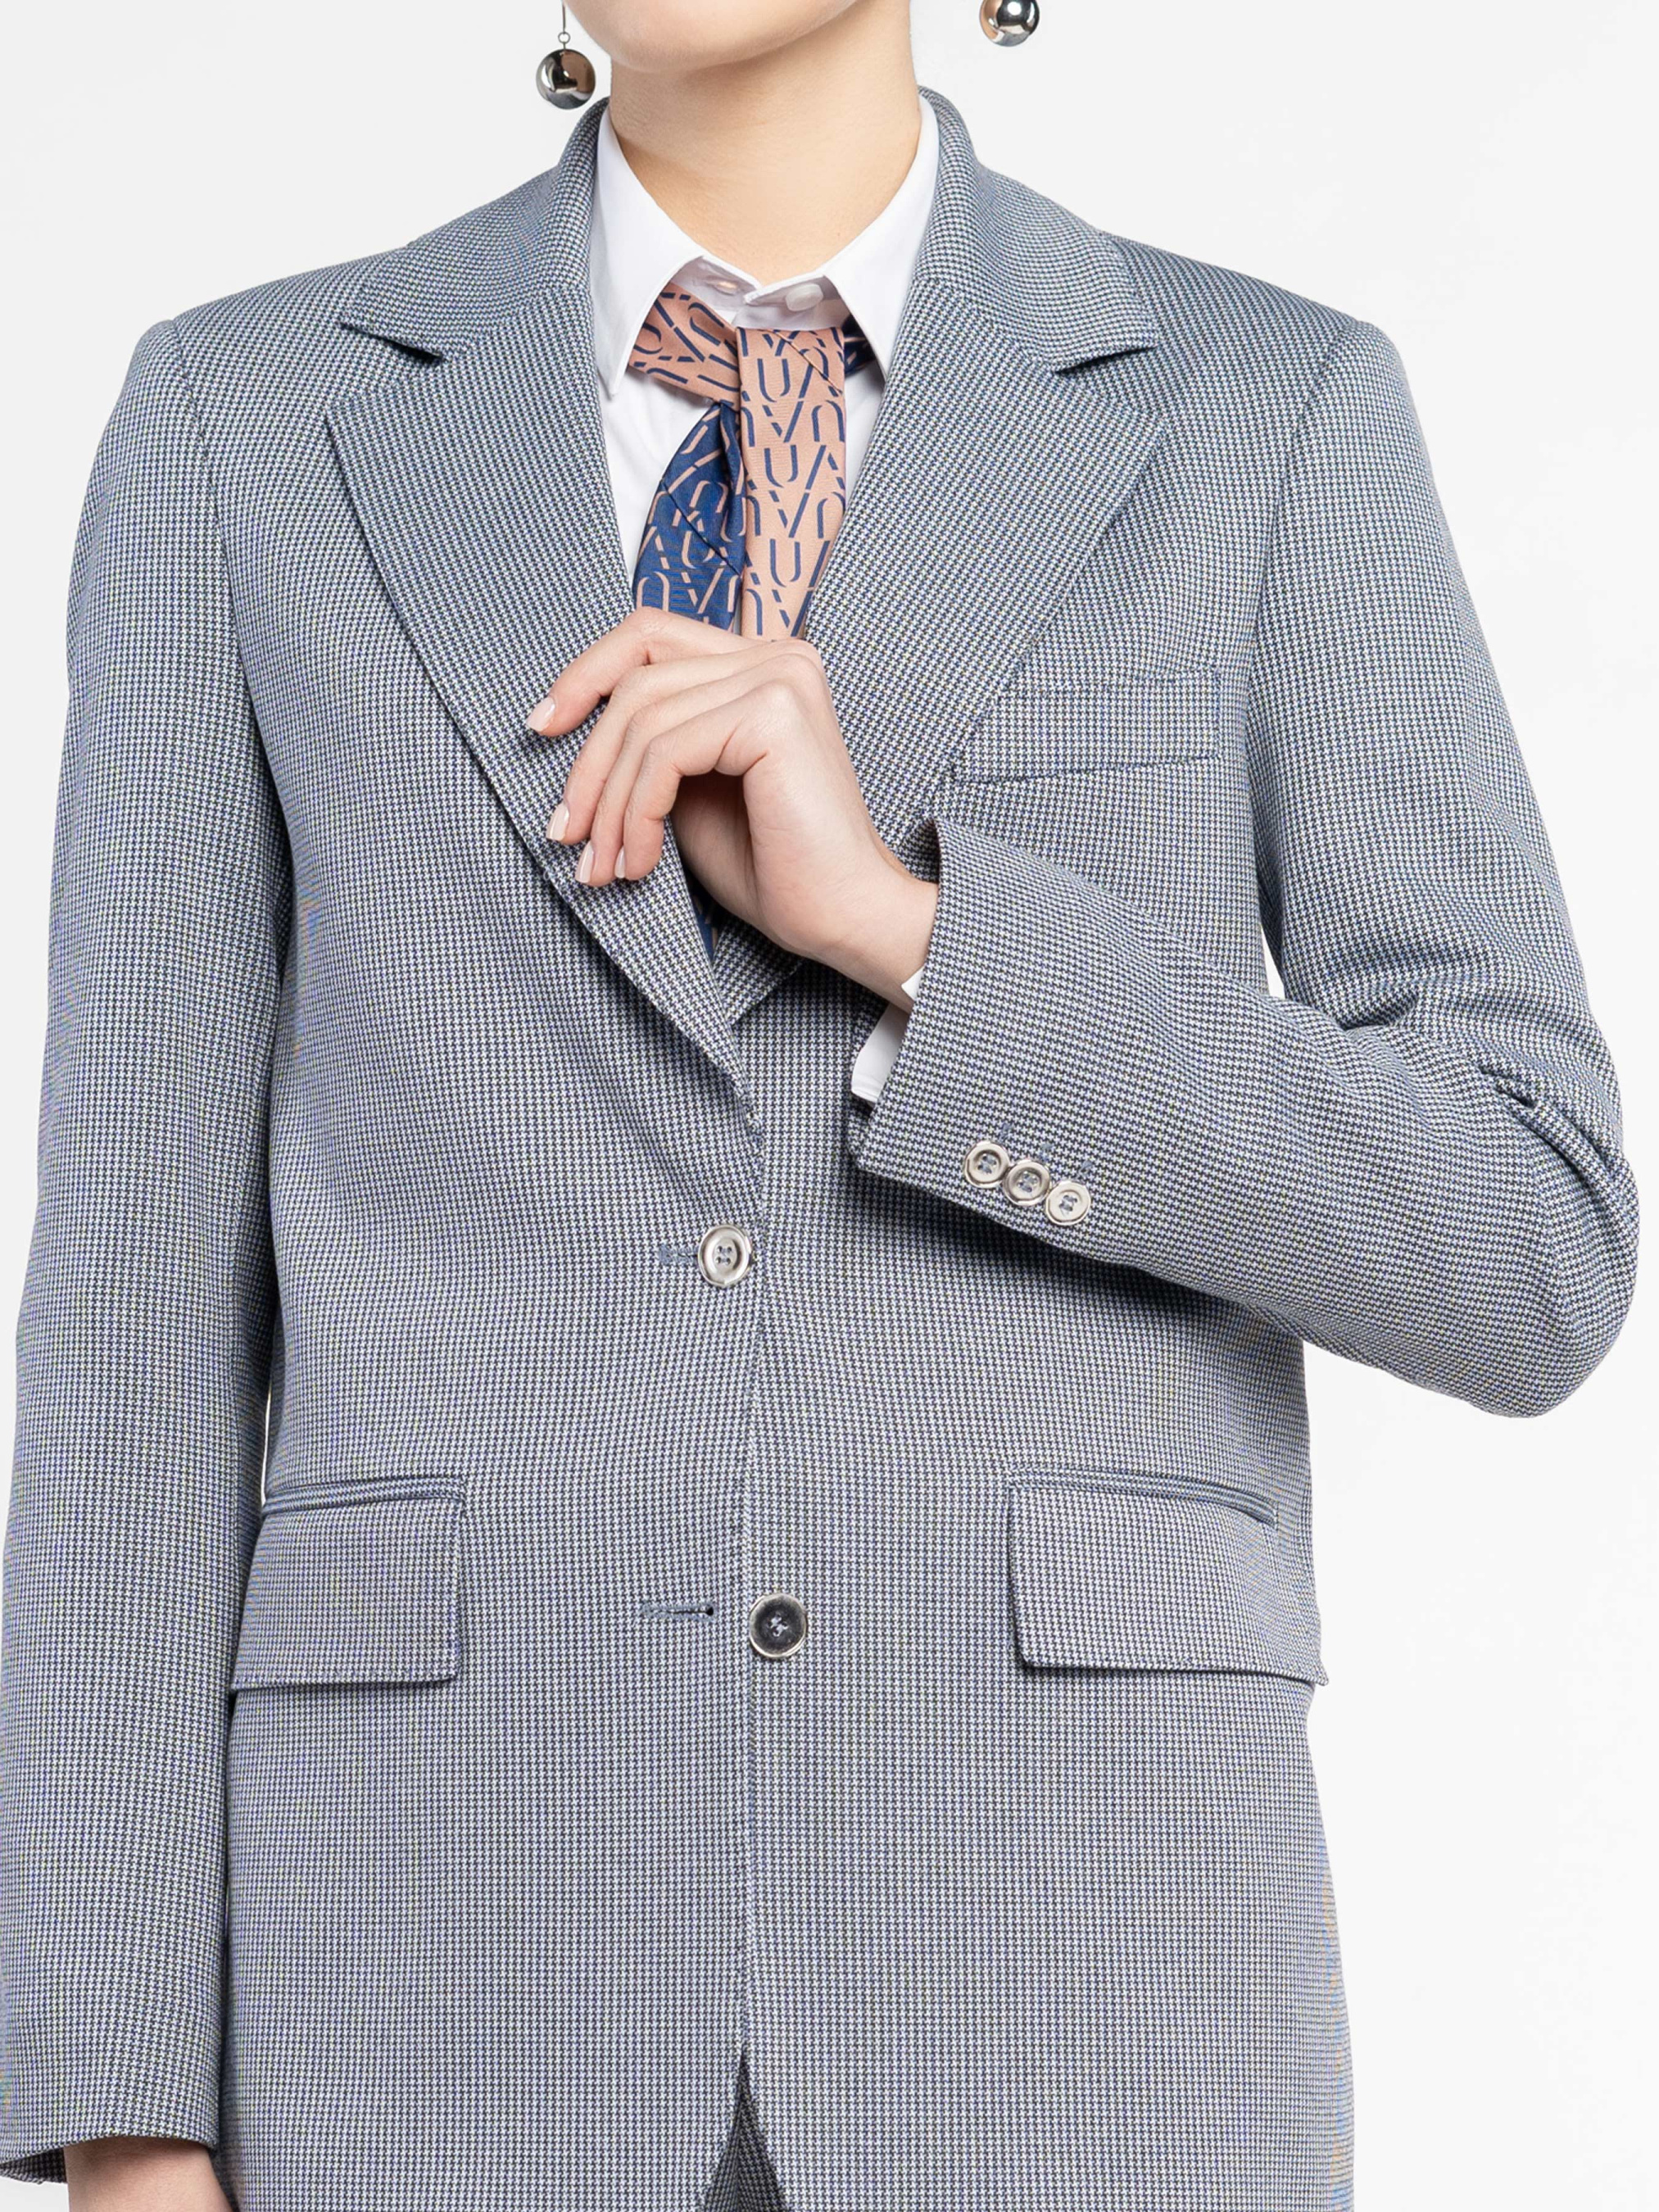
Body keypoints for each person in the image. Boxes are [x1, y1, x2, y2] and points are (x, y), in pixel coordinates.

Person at [0, 1, 1636, 2207]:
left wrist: (911, 934)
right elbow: (131, 1315)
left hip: (1081, 1979)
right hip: (423, 1984)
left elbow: (1525, 1237)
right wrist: (124, 2111)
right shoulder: (247, 422)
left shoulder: (1260, 412)